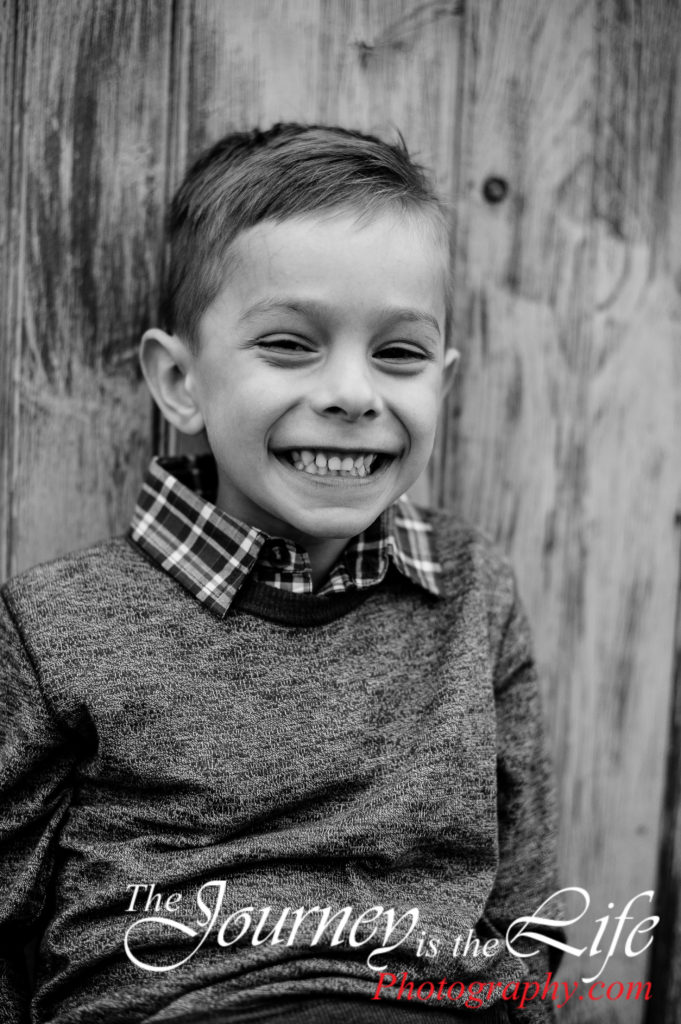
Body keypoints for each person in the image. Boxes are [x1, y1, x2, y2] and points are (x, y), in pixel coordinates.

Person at [0, 123, 563, 1024]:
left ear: (443, 381)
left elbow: (525, 910)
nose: (352, 393)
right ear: (180, 381)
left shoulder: (470, 592)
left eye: (399, 354)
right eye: (290, 344)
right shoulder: (56, 625)